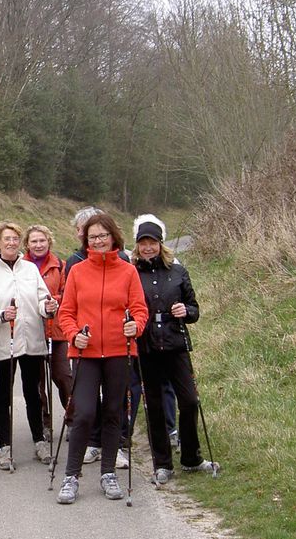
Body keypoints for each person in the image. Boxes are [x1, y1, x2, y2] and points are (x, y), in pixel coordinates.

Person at [56, 213, 148, 504]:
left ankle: (108, 472)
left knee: (112, 413)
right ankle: (71, 476)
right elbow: (66, 313)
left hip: (120, 351)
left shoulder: (129, 271)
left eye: (102, 236)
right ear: (86, 241)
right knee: (83, 413)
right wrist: (73, 335)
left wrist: (136, 326)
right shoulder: (78, 272)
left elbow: (139, 309)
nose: (98, 241)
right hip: (86, 353)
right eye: (92, 237)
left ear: (113, 238)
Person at [131, 214, 219, 484]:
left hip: (176, 342)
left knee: (190, 401)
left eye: (152, 242)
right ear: (137, 245)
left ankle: (191, 458)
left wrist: (186, 311)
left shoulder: (178, 271)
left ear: (161, 243)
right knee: (155, 407)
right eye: (143, 243)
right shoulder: (131, 272)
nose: (148, 247)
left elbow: (194, 309)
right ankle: (163, 463)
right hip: (147, 346)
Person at [0, 222, 57, 469]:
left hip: (32, 340)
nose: (11, 243)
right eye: (7, 239)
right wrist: (1, 315)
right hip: (5, 342)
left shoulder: (30, 270)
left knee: (33, 393)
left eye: (15, 238)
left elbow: (42, 297)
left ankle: (39, 441)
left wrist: (47, 307)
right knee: (3, 394)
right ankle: (5, 446)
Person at [22, 225, 71, 439]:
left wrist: (48, 302)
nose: (38, 245)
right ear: (27, 244)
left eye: (42, 240)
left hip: (57, 330)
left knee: (63, 376)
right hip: (32, 330)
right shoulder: (21, 266)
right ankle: (44, 422)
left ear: (49, 242)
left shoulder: (60, 265)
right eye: (34, 241)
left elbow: (68, 293)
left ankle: (72, 419)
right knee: (37, 381)